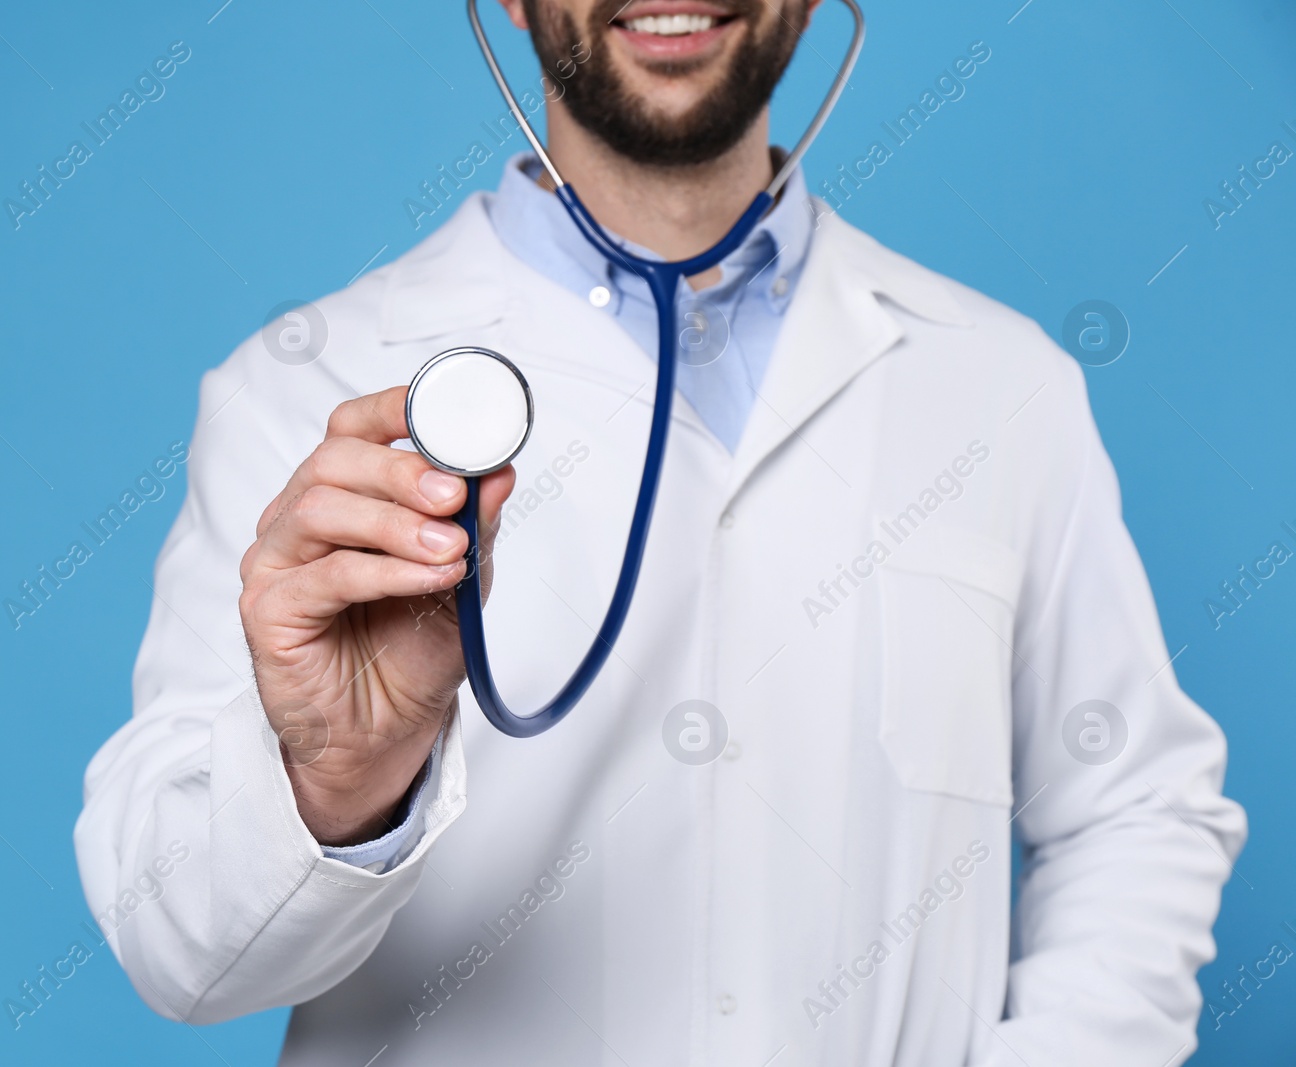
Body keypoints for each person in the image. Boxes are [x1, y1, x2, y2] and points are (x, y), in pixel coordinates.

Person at [74, 1, 1247, 1063]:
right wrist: (336, 780)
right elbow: (181, 958)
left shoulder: (999, 387)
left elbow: (1136, 807)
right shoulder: (307, 391)